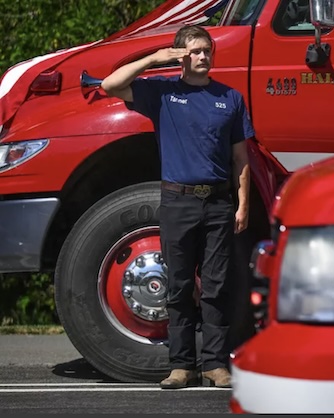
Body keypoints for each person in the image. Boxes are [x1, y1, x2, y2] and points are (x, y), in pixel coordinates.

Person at [100, 24, 254, 389]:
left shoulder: (230, 98)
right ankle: (182, 366)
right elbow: (109, 85)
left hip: (218, 203)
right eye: (195, 51)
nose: (203, 56)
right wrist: (155, 59)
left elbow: (241, 158)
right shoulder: (163, 92)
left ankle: (216, 365)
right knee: (179, 285)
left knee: (217, 286)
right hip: (177, 200)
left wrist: (242, 204)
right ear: (181, 54)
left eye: (207, 50)